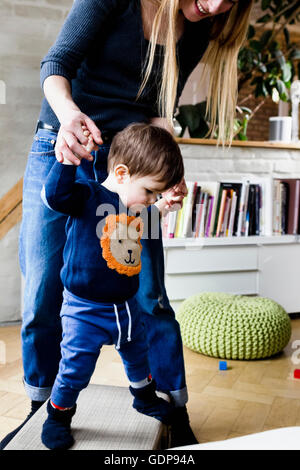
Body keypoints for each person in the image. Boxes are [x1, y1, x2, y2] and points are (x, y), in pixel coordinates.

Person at [0, 0, 253, 450]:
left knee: (150, 297)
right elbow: (57, 64)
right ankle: (42, 410)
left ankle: (172, 411)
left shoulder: (196, 30)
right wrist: (68, 118)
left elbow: (159, 113)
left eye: (230, 1)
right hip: (67, 144)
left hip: (134, 171)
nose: (215, 5)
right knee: (42, 295)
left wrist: (168, 177)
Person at [40, 123, 184, 450]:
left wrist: (163, 205)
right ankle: (58, 414)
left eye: (154, 195)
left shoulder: (134, 206)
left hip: (126, 307)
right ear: (121, 174)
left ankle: (144, 398)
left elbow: (142, 221)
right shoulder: (89, 196)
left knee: (138, 357)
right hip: (85, 310)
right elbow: (55, 196)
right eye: (149, 191)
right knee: (76, 368)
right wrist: (66, 162)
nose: (149, 200)